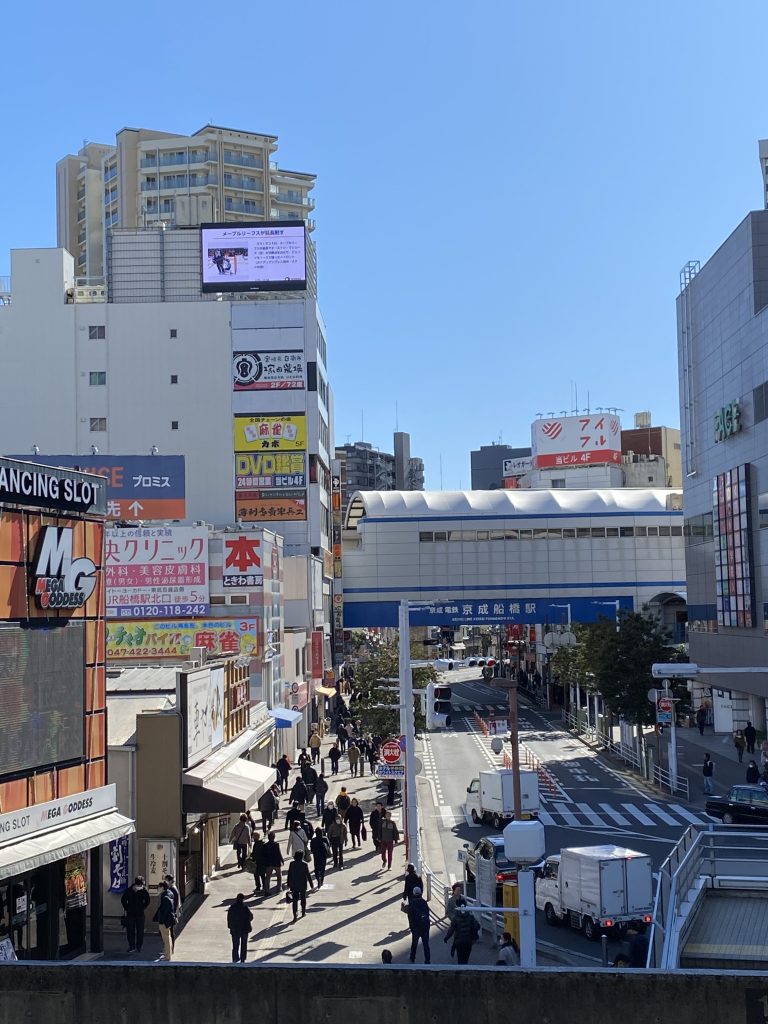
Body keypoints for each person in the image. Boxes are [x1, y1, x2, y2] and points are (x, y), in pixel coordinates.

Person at [120, 875, 150, 954]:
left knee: (140, 931)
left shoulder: (144, 890)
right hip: (131, 914)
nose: (141, 886)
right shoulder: (129, 890)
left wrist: (142, 907)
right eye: (140, 885)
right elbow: (123, 900)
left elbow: (147, 900)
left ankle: (138, 946)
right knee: (130, 931)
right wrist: (127, 908)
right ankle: (132, 946)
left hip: (140, 914)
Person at [286, 850, 314, 922]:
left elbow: (289, 874)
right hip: (302, 884)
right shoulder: (304, 864)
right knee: (303, 898)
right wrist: (311, 885)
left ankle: (295, 915)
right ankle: (303, 912)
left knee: (295, 900)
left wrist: (288, 883)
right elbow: (308, 875)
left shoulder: (292, 863)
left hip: (294, 884)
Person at [152, 881, 176, 962]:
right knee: (168, 937)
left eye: (158, 887)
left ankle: (167, 956)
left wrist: (162, 921)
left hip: (165, 921)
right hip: (169, 921)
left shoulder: (165, 897)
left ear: (162, 887)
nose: (158, 889)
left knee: (166, 939)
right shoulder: (170, 894)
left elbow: (164, 911)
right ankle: (167, 954)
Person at [407, 886, 431, 964]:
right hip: (424, 927)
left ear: (413, 893)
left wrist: (412, 927)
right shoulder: (424, 902)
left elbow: (410, 917)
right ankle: (427, 959)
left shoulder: (412, 904)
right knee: (426, 944)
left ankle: (412, 957)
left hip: (416, 928)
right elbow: (427, 913)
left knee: (414, 943)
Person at [226, 893, 253, 963]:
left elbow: (229, 918)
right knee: (244, 945)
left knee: (235, 945)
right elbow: (251, 917)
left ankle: (235, 958)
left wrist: (230, 927)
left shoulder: (232, 907)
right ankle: (243, 959)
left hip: (235, 930)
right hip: (244, 929)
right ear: (243, 899)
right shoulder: (245, 908)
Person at [164, 874, 181, 950]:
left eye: (167, 880)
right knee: (169, 932)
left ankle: (171, 948)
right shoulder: (171, 888)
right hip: (170, 913)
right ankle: (170, 947)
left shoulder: (173, 890)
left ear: (170, 881)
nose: (166, 882)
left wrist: (172, 913)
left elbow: (174, 904)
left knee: (170, 932)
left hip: (171, 914)